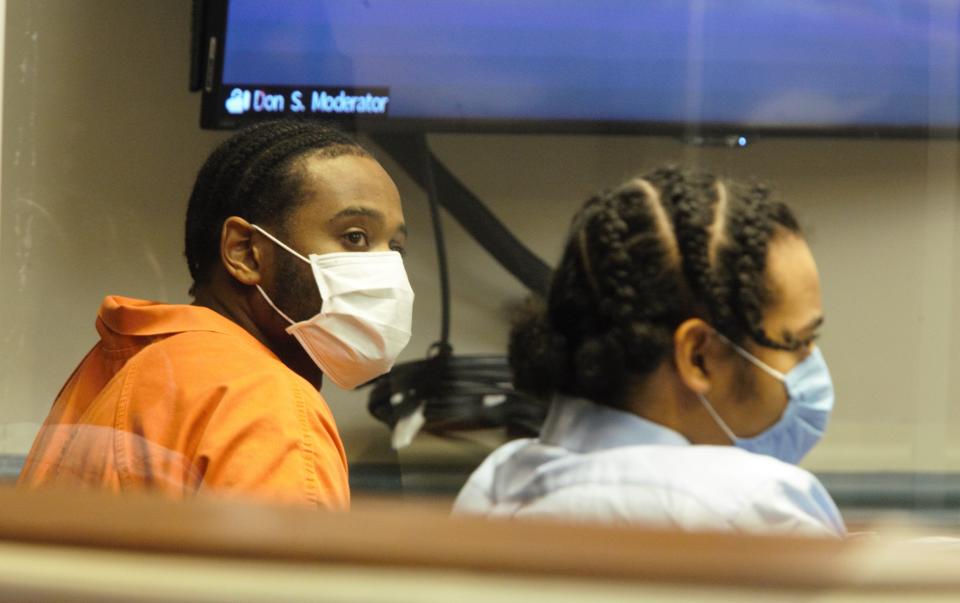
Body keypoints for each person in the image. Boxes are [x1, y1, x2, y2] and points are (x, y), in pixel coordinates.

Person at [18, 120, 413, 509]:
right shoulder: (267, 405)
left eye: (395, 246)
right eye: (355, 237)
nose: (387, 267)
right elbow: (285, 574)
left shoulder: (128, 365)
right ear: (244, 252)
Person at [454, 166, 844, 537]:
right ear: (698, 357)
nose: (810, 364)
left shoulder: (495, 486)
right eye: (798, 342)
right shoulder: (758, 509)